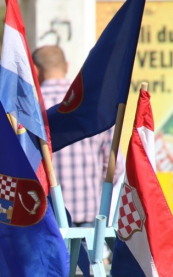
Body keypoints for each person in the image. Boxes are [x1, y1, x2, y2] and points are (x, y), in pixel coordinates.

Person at [32, 45, 125, 260]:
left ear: (35, 70)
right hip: (89, 211)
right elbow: (115, 164)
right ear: (66, 66)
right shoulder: (92, 104)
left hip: (46, 212)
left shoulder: (32, 107)